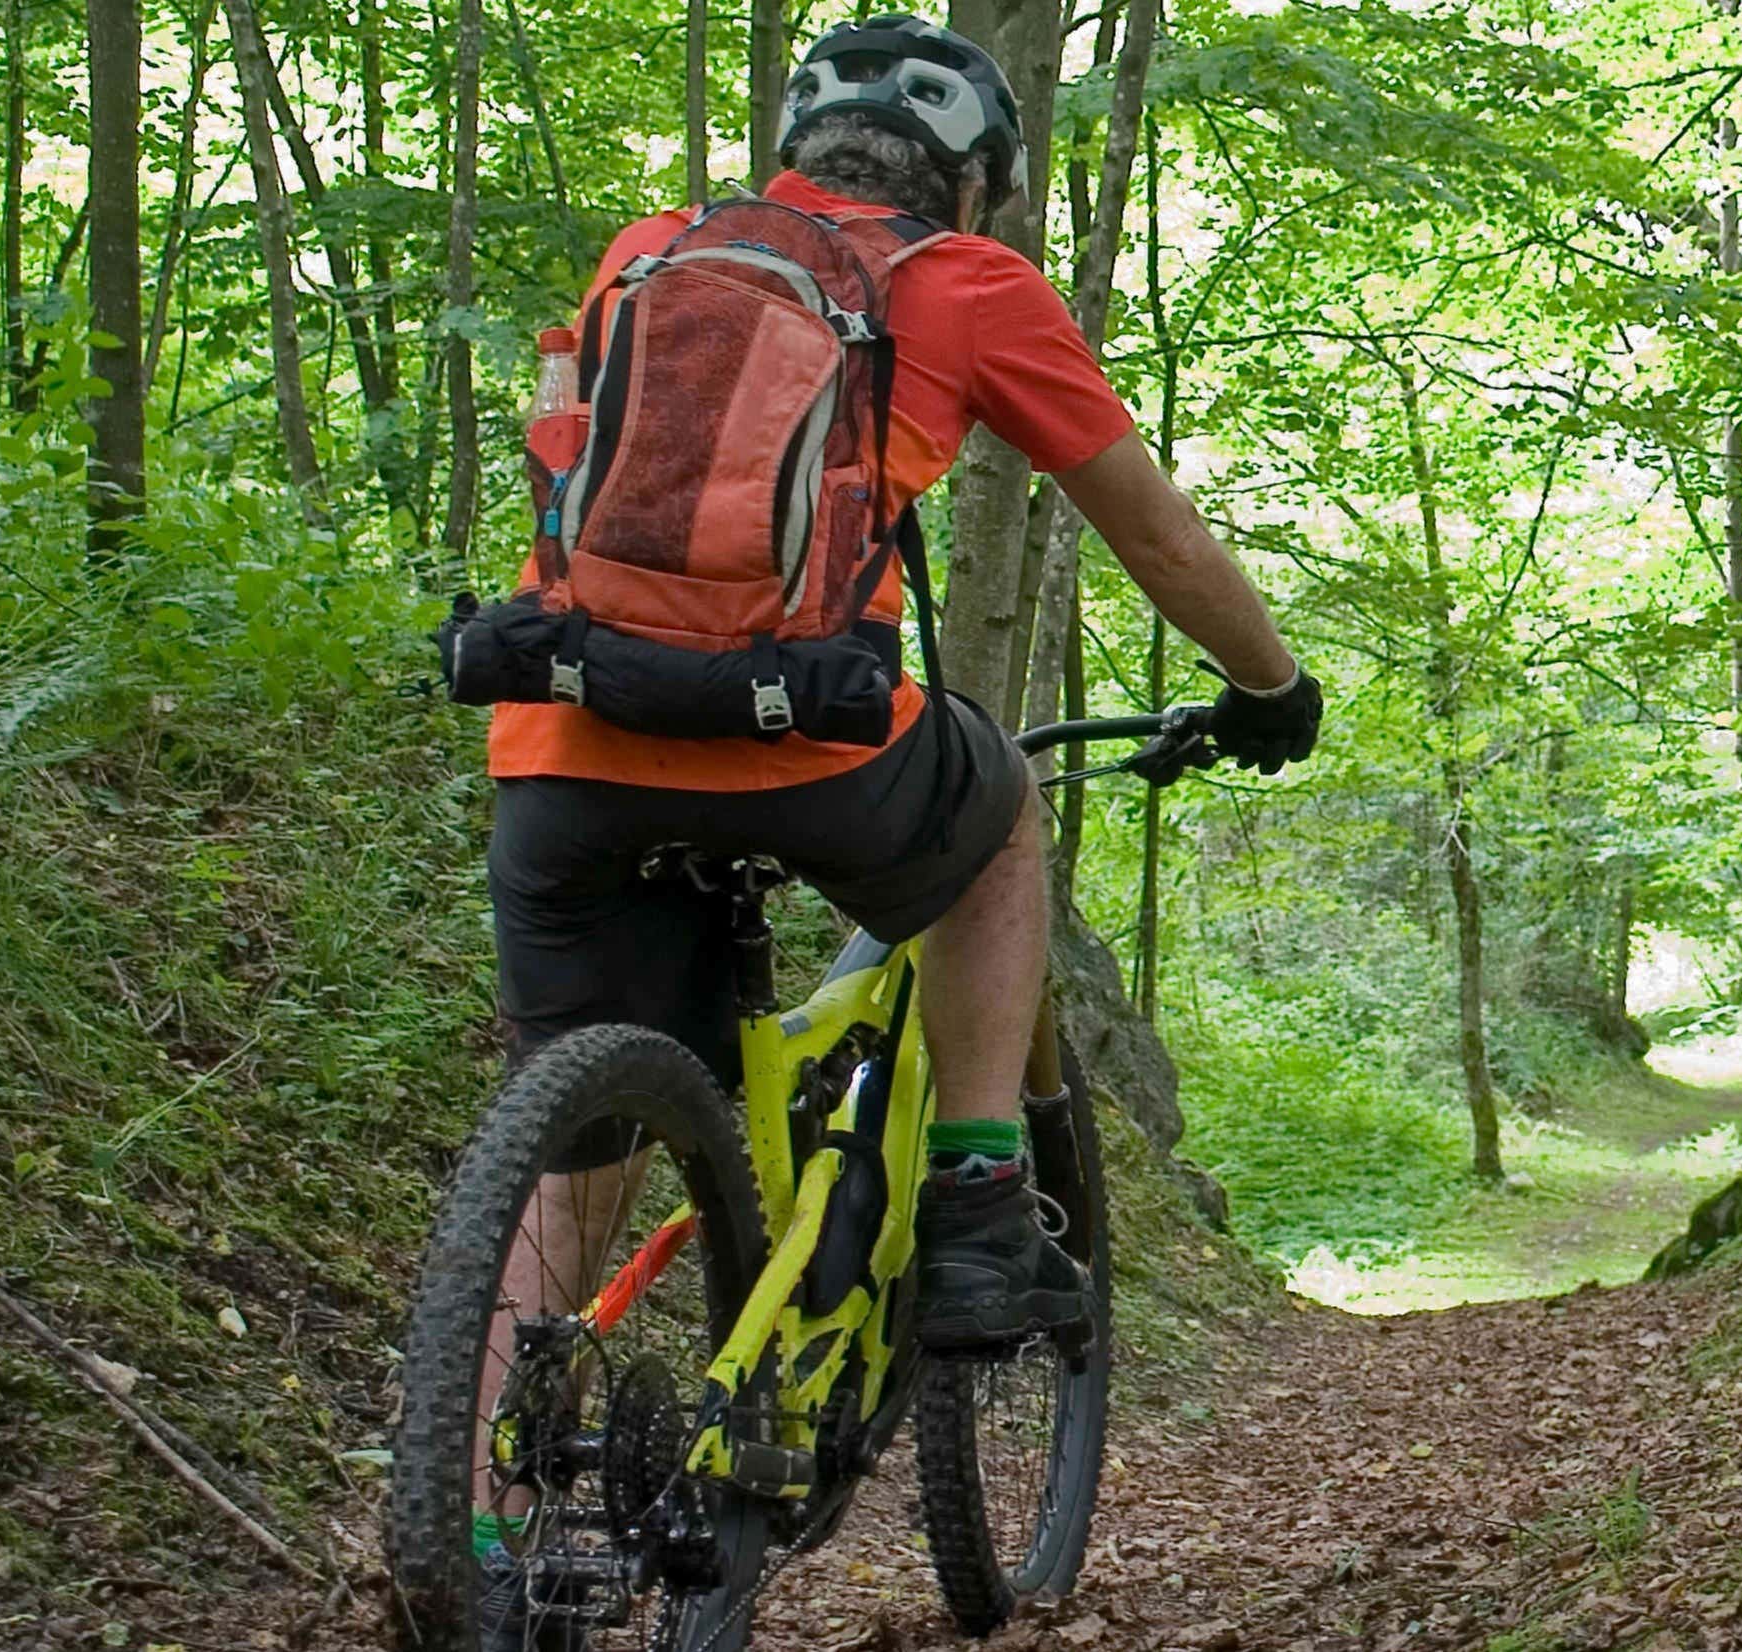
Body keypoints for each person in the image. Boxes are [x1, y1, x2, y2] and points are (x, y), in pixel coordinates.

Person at [471, 12, 1313, 1566]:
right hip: (813, 741)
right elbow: (1156, 535)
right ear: (972, 181)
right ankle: (983, 1187)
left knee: (571, 1163)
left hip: (561, 742)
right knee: (994, 817)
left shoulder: (645, 251)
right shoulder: (967, 284)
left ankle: (478, 1518)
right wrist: (1270, 686)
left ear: (796, 151)